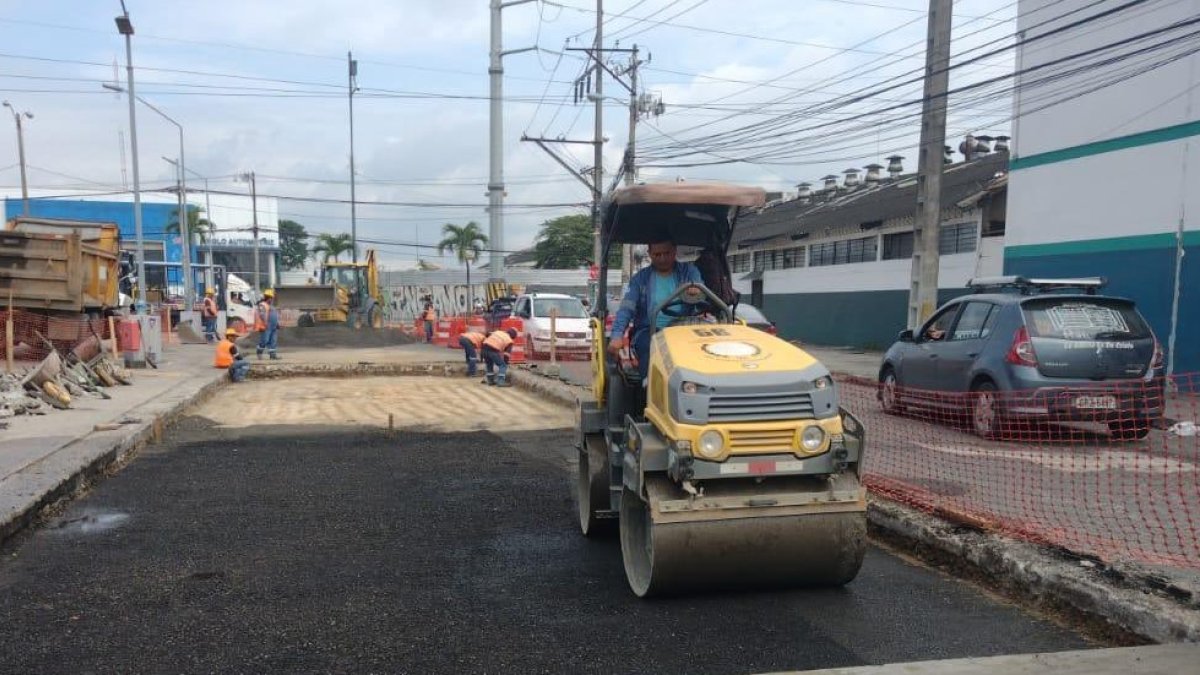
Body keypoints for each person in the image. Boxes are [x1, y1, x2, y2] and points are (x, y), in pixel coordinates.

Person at [607, 239, 703, 381]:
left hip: (684, 329)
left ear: (675, 251)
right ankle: (650, 386)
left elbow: (702, 293)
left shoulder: (689, 272)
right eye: (657, 254)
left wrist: (697, 292)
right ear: (650, 254)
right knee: (649, 350)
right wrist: (616, 335)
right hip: (650, 330)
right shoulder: (640, 279)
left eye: (667, 253)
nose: (663, 258)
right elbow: (626, 308)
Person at [255, 289, 280, 360]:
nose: (272, 299)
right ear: (267, 297)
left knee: (273, 341)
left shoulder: (271, 306)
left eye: (272, 298)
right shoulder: (262, 305)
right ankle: (259, 352)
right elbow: (262, 315)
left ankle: (273, 355)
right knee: (265, 340)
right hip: (266, 326)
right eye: (271, 298)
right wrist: (265, 323)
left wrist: (277, 323)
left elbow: (275, 315)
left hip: (273, 326)